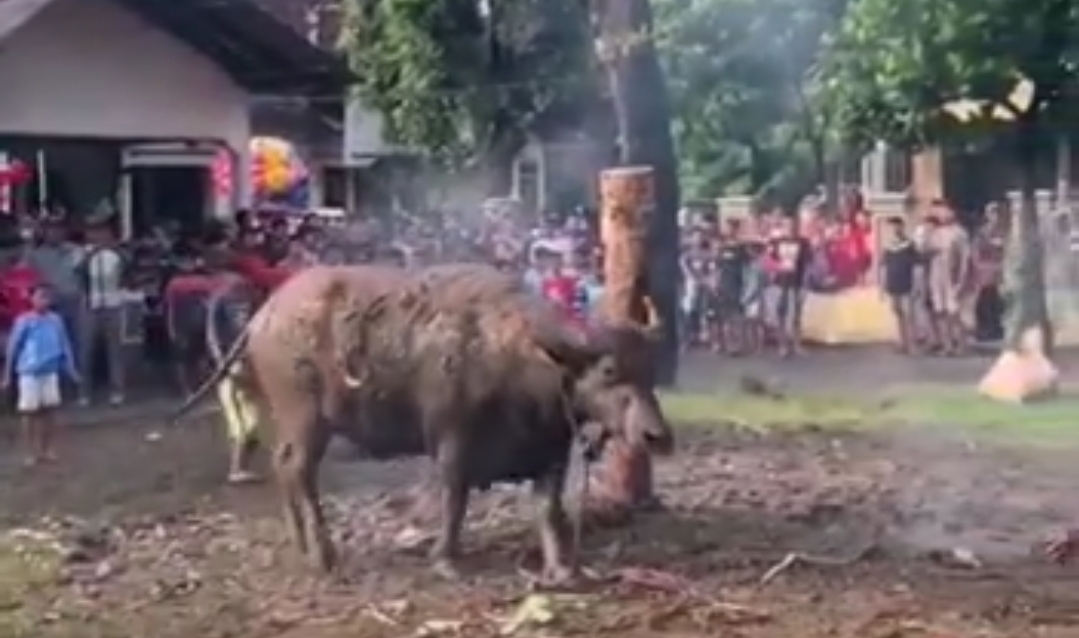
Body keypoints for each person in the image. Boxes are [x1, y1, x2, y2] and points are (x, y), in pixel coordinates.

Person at [4, 285, 79, 465]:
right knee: (29, 413)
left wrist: (71, 368)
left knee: (50, 411)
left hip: (50, 371)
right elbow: (13, 348)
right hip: (29, 372)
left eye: (47, 297)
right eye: (40, 297)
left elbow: (64, 346)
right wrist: (7, 375)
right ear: (32, 299)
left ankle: (46, 449)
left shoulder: (56, 321)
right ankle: (30, 452)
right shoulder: (24, 321)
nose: (44, 300)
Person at [77, 216, 128, 405]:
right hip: (92, 305)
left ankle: (117, 390)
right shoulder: (85, 253)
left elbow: (127, 271)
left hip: (113, 304)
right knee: (86, 350)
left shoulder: (117, 254)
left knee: (114, 350)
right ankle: (84, 392)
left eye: (103, 232)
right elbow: (79, 274)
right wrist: (91, 254)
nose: (99, 236)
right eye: (95, 232)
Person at [925, 201, 972, 355]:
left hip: (952, 276)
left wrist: (961, 279)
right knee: (940, 311)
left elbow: (965, 257)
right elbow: (925, 252)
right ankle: (947, 344)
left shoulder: (959, 233)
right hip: (936, 275)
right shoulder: (935, 232)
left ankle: (961, 344)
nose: (942, 215)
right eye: (939, 212)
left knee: (954, 312)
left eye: (945, 212)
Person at [767, 216, 812, 356]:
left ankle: (797, 344)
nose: (790, 228)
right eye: (787, 225)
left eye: (793, 225)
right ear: (783, 227)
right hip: (780, 282)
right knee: (781, 313)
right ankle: (782, 345)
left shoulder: (803, 242)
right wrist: (776, 269)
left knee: (796, 314)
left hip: (797, 282)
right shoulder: (776, 242)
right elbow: (768, 261)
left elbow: (808, 262)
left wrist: (805, 282)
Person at [880, 216, 919, 353]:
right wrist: (883, 284)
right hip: (893, 282)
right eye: (892, 227)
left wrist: (916, 284)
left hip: (906, 281)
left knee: (909, 313)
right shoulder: (888, 246)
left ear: (902, 227)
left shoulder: (909, 244)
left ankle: (912, 343)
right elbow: (884, 266)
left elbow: (916, 265)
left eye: (897, 226)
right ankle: (902, 342)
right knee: (898, 313)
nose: (894, 229)